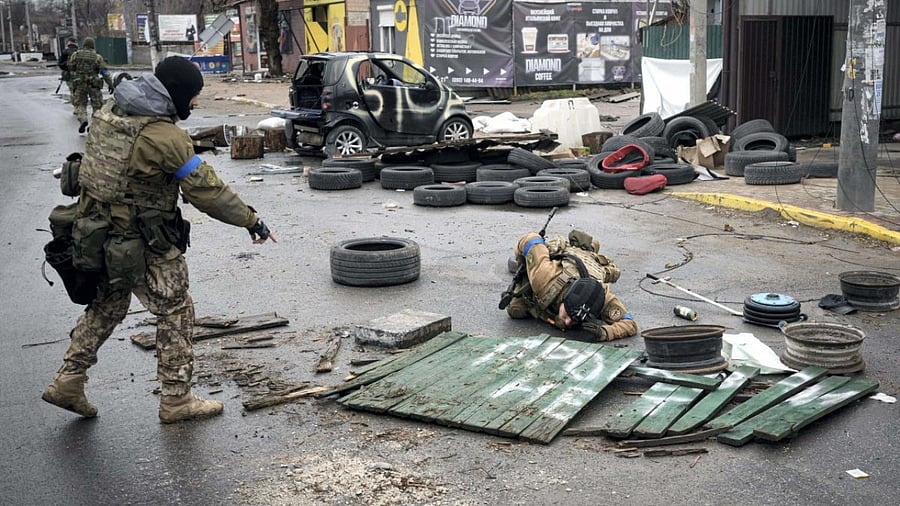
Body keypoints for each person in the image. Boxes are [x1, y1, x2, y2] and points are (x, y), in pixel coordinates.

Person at [41, 56, 277, 424]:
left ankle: (68, 380)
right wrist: (251, 220)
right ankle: (176, 399)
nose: (196, 103)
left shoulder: (113, 109)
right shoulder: (164, 137)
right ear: (178, 94)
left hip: (94, 232)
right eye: (194, 96)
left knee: (108, 306)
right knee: (176, 310)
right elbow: (206, 191)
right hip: (141, 241)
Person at [506, 229, 637, 341]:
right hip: (564, 262)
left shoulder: (601, 296)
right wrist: (523, 265)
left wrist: (604, 332)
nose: (568, 322)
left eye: (574, 319)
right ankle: (584, 247)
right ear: (564, 298)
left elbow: (630, 324)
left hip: (591, 265)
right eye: (568, 314)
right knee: (515, 309)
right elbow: (531, 239)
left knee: (518, 308)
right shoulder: (545, 277)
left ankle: (589, 249)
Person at [68, 37, 114, 133]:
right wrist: (110, 84)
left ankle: (83, 119)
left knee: (80, 104)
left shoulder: (75, 55)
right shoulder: (97, 57)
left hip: (80, 83)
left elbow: (71, 68)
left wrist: (74, 81)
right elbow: (104, 72)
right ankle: (93, 124)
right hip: (94, 84)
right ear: (93, 45)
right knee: (97, 105)